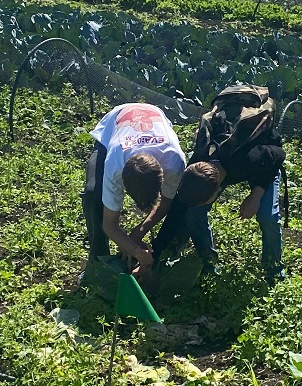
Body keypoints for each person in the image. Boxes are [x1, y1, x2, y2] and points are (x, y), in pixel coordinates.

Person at [154, 84, 286, 285]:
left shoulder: (251, 159)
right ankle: (208, 262)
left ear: (217, 192)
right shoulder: (198, 162)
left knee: (268, 217)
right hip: (225, 162)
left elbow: (278, 155)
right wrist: (155, 252)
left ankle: (273, 269)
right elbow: (177, 209)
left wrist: (256, 195)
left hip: (265, 163)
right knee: (192, 212)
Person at [82, 103, 186, 272]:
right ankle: (97, 263)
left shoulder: (174, 163)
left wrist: (137, 234)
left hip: (154, 114)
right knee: (93, 195)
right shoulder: (115, 163)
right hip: (115, 122)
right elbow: (109, 224)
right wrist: (136, 251)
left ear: (162, 176)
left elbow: (166, 202)